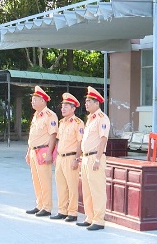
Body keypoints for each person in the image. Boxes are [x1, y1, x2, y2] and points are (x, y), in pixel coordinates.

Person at [77, 86, 110, 231]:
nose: (86, 104)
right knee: (87, 190)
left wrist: (97, 159)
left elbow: (103, 139)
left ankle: (99, 220)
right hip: (86, 158)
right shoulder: (90, 119)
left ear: (97, 103)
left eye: (89, 101)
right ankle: (89, 217)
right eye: (86, 101)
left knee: (97, 190)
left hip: (95, 157)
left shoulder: (102, 118)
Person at [50, 93, 83, 222]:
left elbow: (80, 142)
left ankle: (72, 212)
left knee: (72, 186)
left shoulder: (78, 123)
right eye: (62, 106)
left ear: (73, 109)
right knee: (61, 185)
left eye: (66, 106)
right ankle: (62, 210)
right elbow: (58, 140)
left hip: (71, 157)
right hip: (60, 158)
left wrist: (77, 159)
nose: (63, 109)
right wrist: (55, 156)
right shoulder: (62, 122)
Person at [24, 85, 57, 217]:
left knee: (45, 180)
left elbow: (53, 135)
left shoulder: (50, 115)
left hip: (43, 150)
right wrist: (28, 152)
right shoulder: (36, 115)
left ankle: (47, 207)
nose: (32, 102)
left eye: (35, 99)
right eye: (32, 99)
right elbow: (33, 136)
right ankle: (39, 204)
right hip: (33, 150)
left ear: (43, 100)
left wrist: (49, 153)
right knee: (36, 180)